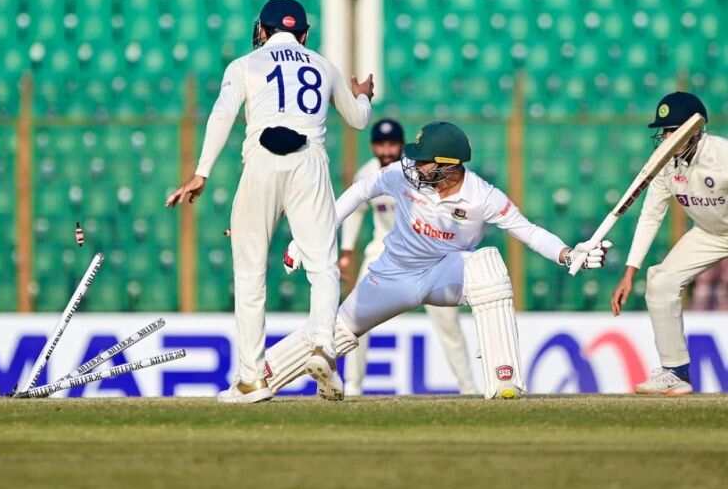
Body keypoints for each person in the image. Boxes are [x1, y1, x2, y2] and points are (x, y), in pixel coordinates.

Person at [273, 121, 611, 400]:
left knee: (488, 265)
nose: (415, 165)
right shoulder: (400, 176)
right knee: (331, 333)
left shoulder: (482, 196)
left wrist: (567, 254)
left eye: (424, 160)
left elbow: (528, 231)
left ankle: (503, 379)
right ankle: (258, 378)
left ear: (449, 164)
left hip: (444, 273)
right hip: (393, 275)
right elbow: (360, 192)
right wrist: (310, 240)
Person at [166, 0, 374, 403]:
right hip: (309, 162)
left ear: (261, 30)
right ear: (305, 33)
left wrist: (202, 172)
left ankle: (251, 378)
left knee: (250, 273)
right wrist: (363, 95)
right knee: (322, 266)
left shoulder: (245, 64)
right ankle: (322, 347)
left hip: (261, 161)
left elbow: (222, 114)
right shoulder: (322, 64)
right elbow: (359, 120)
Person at [340, 118, 478, 396]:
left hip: (428, 255)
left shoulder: (422, 172)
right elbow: (355, 210)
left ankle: (468, 387)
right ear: (373, 146)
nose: (387, 150)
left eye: (393, 144)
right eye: (381, 144)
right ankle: (353, 386)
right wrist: (346, 251)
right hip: (383, 251)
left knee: (447, 323)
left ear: (403, 146)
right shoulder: (368, 173)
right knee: (356, 316)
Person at [610, 92, 728, 396]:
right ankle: (675, 371)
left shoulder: (721, 155)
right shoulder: (665, 164)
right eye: (663, 131)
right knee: (661, 281)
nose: (665, 138)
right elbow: (651, 215)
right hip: (710, 233)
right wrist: (630, 272)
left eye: (671, 131)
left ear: (695, 130)